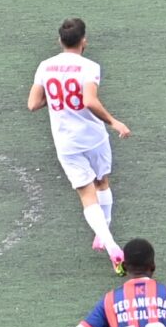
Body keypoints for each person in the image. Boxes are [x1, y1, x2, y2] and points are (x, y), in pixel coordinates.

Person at [29, 18, 131, 273]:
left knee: (86, 194)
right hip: (93, 137)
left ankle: (108, 242)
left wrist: (54, 96)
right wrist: (114, 122)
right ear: (84, 40)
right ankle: (105, 232)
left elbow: (33, 104)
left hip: (66, 142)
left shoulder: (45, 66)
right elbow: (89, 101)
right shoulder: (89, 67)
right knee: (102, 182)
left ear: (59, 41)